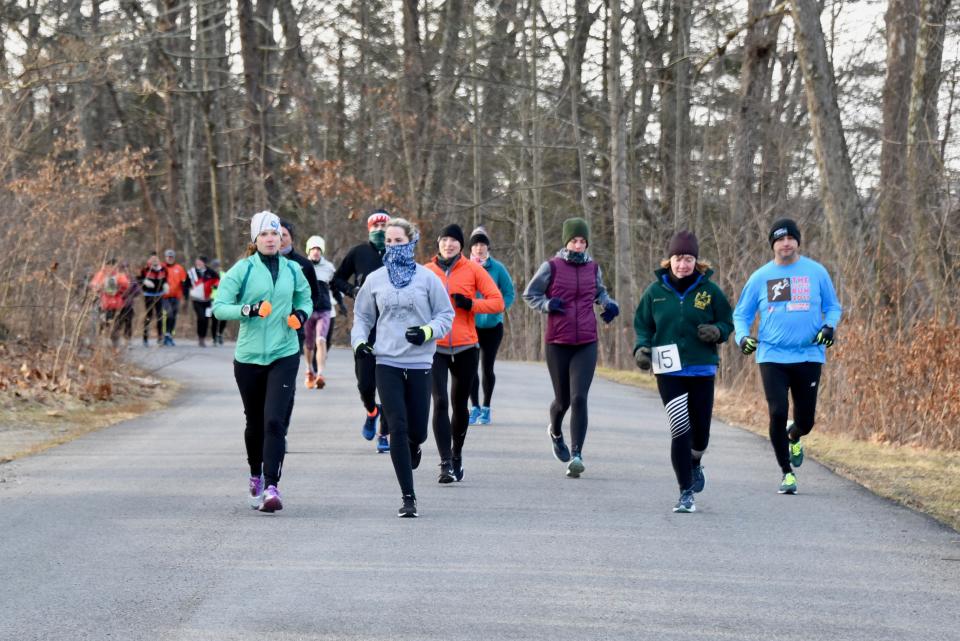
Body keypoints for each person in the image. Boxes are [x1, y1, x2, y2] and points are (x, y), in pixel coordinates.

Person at [351, 217, 454, 517]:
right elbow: (363, 318)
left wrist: (426, 332)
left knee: (417, 431)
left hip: (420, 363)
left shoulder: (427, 279)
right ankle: (408, 497)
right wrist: (359, 342)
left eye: (399, 241)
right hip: (387, 361)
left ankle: (416, 445)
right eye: (389, 241)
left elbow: (445, 315)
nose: (393, 246)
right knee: (396, 426)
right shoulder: (375, 279)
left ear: (411, 242)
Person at [733, 218, 842, 495]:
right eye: (780, 239)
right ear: (773, 244)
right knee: (777, 412)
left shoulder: (816, 272)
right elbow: (741, 315)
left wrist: (829, 327)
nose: (786, 243)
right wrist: (743, 337)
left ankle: (795, 436)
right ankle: (787, 473)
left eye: (790, 238)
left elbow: (833, 307)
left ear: (797, 242)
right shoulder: (760, 277)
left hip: (809, 354)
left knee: (805, 421)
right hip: (772, 355)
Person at [213, 210, 311, 513]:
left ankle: (271, 486)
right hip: (249, 357)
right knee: (254, 423)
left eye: (276, 234)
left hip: (284, 353)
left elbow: (305, 299)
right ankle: (255, 474)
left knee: (274, 421)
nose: (272, 239)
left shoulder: (293, 269)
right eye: (266, 234)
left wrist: (300, 316)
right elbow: (219, 307)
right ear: (256, 240)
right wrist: (249, 310)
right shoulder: (242, 269)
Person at [633, 231, 733, 513]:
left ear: (696, 261)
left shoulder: (709, 291)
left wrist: (718, 332)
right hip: (668, 371)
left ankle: (696, 461)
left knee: (700, 435)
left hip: (701, 368)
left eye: (688, 259)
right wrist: (642, 349)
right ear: (669, 260)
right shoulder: (655, 293)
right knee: (680, 429)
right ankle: (685, 492)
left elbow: (727, 321)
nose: (683, 264)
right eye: (678, 258)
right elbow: (643, 326)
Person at [523, 217, 619, 478]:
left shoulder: (593, 267)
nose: (578, 245)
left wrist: (609, 305)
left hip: (586, 340)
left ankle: (577, 455)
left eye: (582, 241)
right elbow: (530, 294)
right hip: (557, 342)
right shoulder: (551, 267)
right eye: (574, 241)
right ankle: (555, 430)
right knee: (563, 400)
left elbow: (600, 293)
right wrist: (547, 305)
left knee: (579, 398)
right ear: (567, 242)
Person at [425, 224, 504, 483]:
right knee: (439, 402)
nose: (449, 244)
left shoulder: (473, 270)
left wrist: (471, 304)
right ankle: (445, 462)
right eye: (445, 240)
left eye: (454, 241)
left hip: (465, 346)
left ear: (461, 245)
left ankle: (457, 454)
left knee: (459, 405)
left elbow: (497, 301)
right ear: (438, 243)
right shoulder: (426, 272)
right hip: (434, 347)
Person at [333, 209, 391, 452]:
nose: (379, 229)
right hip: (365, 328)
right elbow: (335, 280)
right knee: (365, 385)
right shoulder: (358, 253)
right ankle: (371, 411)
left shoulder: (396, 253)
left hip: (391, 328)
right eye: (375, 226)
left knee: (390, 384)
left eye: (383, 226)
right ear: (369, 229)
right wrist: (353, 291)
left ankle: (384, 435)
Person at [466, 226, 515, 426]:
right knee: (470, 368)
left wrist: (499, 309)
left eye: (483, 244)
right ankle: (474, 407)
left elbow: (510, 292)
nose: (479, 248)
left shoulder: (497, 268)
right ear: (470, 247)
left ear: (488, 247)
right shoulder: (464, 267)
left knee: (487, 367)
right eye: (476, 244)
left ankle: (486, 407)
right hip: (470, 325)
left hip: (493, 326)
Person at [303, 235, 345, 390]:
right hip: (307, 310)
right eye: (313, 249)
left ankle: (320, 374)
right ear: (308, 250)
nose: (316, 252)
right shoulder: (302, 266)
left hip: (324, 309)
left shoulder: (328, 267)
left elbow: (335, 287)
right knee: (308, 343)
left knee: (321, 340)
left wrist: (341, 304)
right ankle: (309, 370)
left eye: (318, 249)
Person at [90, 259, 130, 348]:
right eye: (111, 266)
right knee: (103, 325)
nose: (113, 268)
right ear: (107, 266)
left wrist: (118, 284)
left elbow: (126, 285)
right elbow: (93, 285)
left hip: (117, 305)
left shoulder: (119, 275)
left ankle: (115, 345)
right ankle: (100, 343)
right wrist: (101, 285)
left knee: (116, 326)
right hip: (104, 305)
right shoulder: (101, 274)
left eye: (115, 266)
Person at [188, 255, 220, 347]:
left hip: (207, 300)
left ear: (204, 263)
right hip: (196, 300)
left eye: (200, 261)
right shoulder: (192, 272)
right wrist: (187, 292)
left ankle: (203, 338)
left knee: (206, 319)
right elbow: (186, 283)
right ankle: (200, 337)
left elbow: (218, 280)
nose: (198, 263)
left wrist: (215, 285)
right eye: (197, 261)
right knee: (201, 317)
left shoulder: (210, 272)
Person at [161, 249, 188, 346]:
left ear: (174, 258)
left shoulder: (179, 268)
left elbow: (184, 283)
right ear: (165, 258)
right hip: (164, 296)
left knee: (174, 316)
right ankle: (165, 335)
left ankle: (170, 335)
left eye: (171, 257)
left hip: (176, 296)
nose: (170, 258)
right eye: (168, 257)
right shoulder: (162, 267)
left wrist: (185, 297)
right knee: (169, 314)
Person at [139, 253, 168, 346]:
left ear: (158, 260)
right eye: (152, 258)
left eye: (156, 258)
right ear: (150, 260)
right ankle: (145, 338)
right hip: (149, 295)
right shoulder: (145, 269)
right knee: (149, 316)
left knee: (160, 316)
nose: (154, 260)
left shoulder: (163, 269)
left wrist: (165, 285)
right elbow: (138, 279)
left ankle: (160, 338)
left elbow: (166, 279)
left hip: (159, 295)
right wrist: (144, 282)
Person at [118, 260, 140, 348]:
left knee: (128, 322)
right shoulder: (117, 278)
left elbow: (138, 290)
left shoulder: (132, 278)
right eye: (124, 267)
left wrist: (133, 293)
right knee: (118, 323)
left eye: (127, 267)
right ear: (121, 269)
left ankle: (128, 340)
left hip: (129, 304)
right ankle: (116, 341)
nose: (126, 269)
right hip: (118, 305)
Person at [209, 258, 227, 345]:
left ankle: (220, 334)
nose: (216, 268)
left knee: (224, 318)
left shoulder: (224, 274)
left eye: (218, 266)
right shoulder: (209, 275)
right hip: (213, 300)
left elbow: (229, 285)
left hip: (224, 299)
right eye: (215, 266)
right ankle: (214, 338)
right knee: (214, 319)